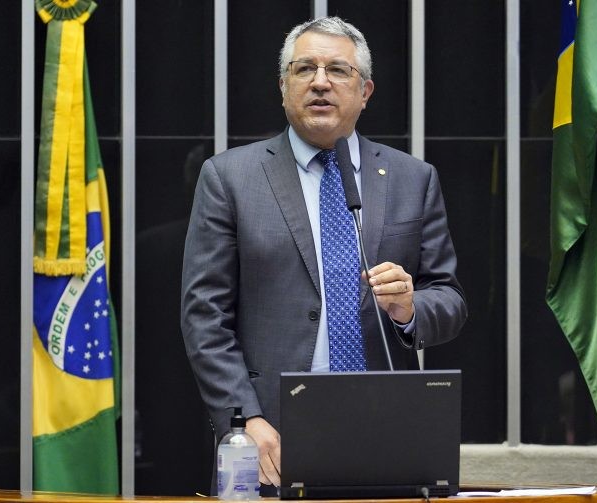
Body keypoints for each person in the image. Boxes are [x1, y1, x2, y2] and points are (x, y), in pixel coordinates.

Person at [181, 16, 468, 494]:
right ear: (282, 86)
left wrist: (409, 307)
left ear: (365, 91)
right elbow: (204, 317)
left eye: (338, 70)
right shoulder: (230, 178)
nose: (320, 82)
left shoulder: (412, 179)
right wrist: (243, 420)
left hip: (384, 432)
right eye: (303, 70)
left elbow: (450, 300)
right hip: (269, 434)